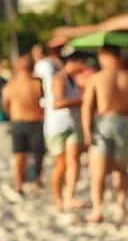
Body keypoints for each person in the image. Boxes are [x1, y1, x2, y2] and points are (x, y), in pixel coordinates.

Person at [82, 45, 128, 223]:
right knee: (121, 170)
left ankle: (98, 210)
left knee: (98, 171)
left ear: (106, 57)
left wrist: (87, 131)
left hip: (104, 123)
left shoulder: (96, 78)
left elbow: (87, 106)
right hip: (125, 123)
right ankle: (121, 206)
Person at [46, 52, 87, 211]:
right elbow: (57, 103)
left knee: (74, 162)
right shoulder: (59, 78)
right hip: (57, 127)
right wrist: (80, 100)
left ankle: (70, 197)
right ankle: (58, 199)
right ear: (74, 62)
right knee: (61, 165)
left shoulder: (73, 79)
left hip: (72, 126)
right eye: (83, 62)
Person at [2, 56, 45, 195]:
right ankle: (35, 180)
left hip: (18, 122)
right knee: (37, 154)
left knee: (19, 156)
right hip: (34, 121)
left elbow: (5, 106)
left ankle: (18, 185)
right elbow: (44, 102)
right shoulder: (37, 83)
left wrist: (13, 114)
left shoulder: (10, 86)